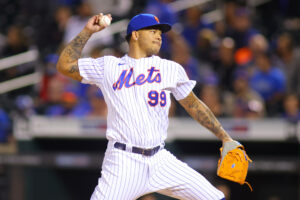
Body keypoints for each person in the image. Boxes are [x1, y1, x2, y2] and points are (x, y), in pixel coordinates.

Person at [56, 13, 242, 200]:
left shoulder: (170, 69)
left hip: (160, 159)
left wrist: (224, 136)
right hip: (123, 161)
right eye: (153, 31)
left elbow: (193, 104)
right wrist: (88, 31)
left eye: (160, 32)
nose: (159, 36)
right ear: (135, 35)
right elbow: (64, 65)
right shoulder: (109, 66)